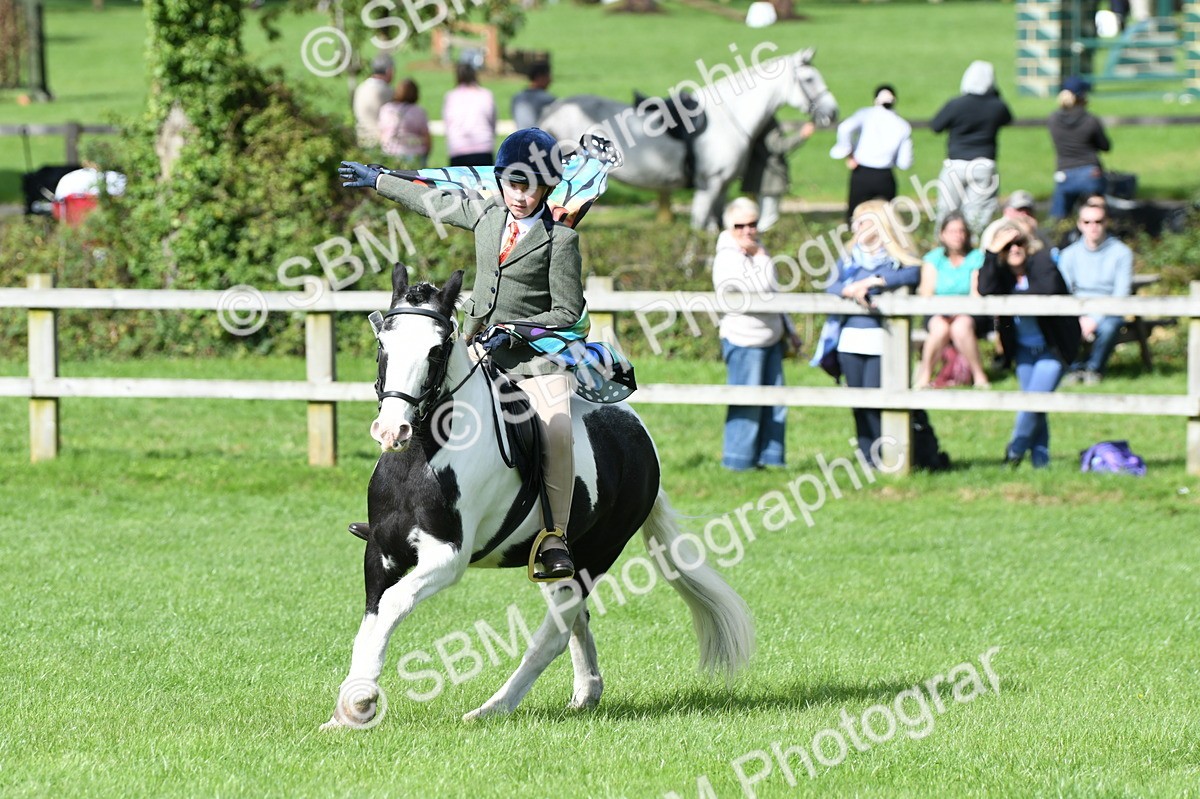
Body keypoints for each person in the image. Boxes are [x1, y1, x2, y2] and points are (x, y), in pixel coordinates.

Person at [338, 128, 579, 581]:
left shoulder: (561, 242)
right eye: (513, 184)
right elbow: (433, 202)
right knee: (413, 399)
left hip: (532, 360)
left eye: (531, 187)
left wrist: (520, 330)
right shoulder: (488, 215)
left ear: (547, 187)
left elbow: (568, 310)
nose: (521, 196)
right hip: (476, 349)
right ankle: (393, 518)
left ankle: (554, 536)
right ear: (502, 181)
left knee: (557, 431)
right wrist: (378, 181)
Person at [826, 199, 923, 467]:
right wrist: (849, 289)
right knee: (859, 404)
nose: (858, 228)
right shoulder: (848, 259)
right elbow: (830, 286)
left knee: (881, 402)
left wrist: (874, 282)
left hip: (882, 344)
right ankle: (867, 458)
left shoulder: (894, 261)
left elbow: (914, 273)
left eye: (865, 222)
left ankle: (890, 456)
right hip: (850, 342)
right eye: (856, 222)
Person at [978, 221, 1080, 468]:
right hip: (1023, 351)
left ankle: (1013, 453)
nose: (1014, 249)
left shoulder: (1043, 261)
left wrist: (1008, 300)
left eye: (1018, 243)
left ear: (1028, 244)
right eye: (1007, 246)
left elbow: (1045, 290)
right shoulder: (1001, 272)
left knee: (1032, 403)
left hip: (1052, 349)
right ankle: (1041, 464)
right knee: (1037, 408)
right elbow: (985, 289)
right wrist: (992, 253)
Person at [713, 197, 801, 471]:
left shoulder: (756, 251)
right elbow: (759, 289)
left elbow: (774, 295)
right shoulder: (727, 257)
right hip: (744, 339)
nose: (748, 230)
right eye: (740, 225)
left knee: (775, 402)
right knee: (747, 403)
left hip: (771, 337)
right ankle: (738, 462)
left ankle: (771, 459)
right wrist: (763, 260)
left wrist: (790, 330)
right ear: (730, 228)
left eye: (752, 224)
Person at [930, 61, 1013, 236]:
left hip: (956, 164)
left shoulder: (956, 104)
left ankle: (943, 247)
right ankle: (974, 250)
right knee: (977, 216)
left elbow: (936, 126)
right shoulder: (996, 106)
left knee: (946, 213)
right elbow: (1008, 118)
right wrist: (995, 93)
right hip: (984, 164)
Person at [1056, 202, 1133, 385]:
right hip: (1076, 310)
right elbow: (1063, 292)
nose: (1093, 227)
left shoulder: (1122, 253)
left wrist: (1095, 318)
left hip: (1109, 311)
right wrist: (1080, 316)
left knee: (1109, 326)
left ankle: (1094, 369)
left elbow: (1120, 295)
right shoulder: (1068, 254)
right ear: (1080, 224)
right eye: (1087, 222)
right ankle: (1073, 369)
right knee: (1060, 322)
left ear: (1107, 222)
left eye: (1098, 221)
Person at [914, 212, 990, 390]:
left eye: (961, 231)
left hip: (969, 313)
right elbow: (927, 292)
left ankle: (979, 376)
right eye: (952, 231)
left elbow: (975, 292)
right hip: (938, 312)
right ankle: (924, 376)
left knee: (960, 327)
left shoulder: (976, 258)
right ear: (942, 234)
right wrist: (945, 310)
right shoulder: (933, 259)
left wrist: (959, 309)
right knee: (940, 328)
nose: (958, 235)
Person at [829, 85, 913, 223]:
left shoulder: (866, 115)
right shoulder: (902, 125)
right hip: (885, 177)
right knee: (885, 222)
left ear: (875, 100)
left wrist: (847, 151)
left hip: (861, 174)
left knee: (856, 219)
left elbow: (845, 128)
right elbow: (905, 163)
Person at [1048, 76, 1111, 220]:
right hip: (1090, 173)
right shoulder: (1090, 120)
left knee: (1058, 219)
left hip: (1064, 173)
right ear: (1082, 96)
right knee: (1098, 216)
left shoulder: (1053, 119)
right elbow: (1105, 146)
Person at [741, 116, 815, 231]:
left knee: (761, 215)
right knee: (768, 218)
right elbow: (777, 146)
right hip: (769, 178)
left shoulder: (756, 118)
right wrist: (801, 135)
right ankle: (764, 244)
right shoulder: (765, 120)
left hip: (760, 176)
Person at [443, 62, 496, 167]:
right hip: (483, 147)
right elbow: (492, 121)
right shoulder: (485, 94)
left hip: (458, 147)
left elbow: (448, 124)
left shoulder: (451, 96)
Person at [378, 77, 432, 169]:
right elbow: (426, 137)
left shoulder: (386, 110)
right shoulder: (418, 111)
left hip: (390, 152)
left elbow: (380, 133)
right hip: (413, 153)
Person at [980, 189, 1050, 253]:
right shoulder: (997, 227)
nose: (1024, 214)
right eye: (1019, 210)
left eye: (1028, 210)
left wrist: (1032, 233)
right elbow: (987, 254)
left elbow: (1048, 251)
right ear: (1007, 211)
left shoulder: (1034, 228)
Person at [352, 54, 394, 149]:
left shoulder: (361, 87)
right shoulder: (386, 90)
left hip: (362, 138)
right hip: (379, 142)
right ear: (389, 71)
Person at [511, 62, 556, 130]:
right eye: (548, 76)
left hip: (521, 138)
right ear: (540, 77)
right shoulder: (547, 100)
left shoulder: (517, 98)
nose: (550, 80)